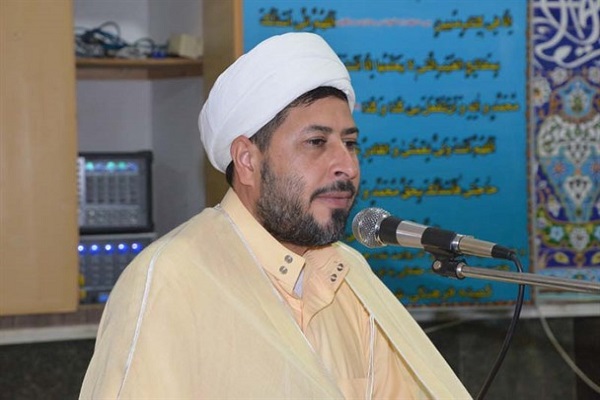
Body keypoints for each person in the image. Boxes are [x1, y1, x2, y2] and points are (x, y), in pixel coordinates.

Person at [80, 32, 471, 399]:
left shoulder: (349, 275)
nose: (347, 166)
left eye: (350, 143)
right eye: (316, 142)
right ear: (247, 161)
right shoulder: (172, 278)